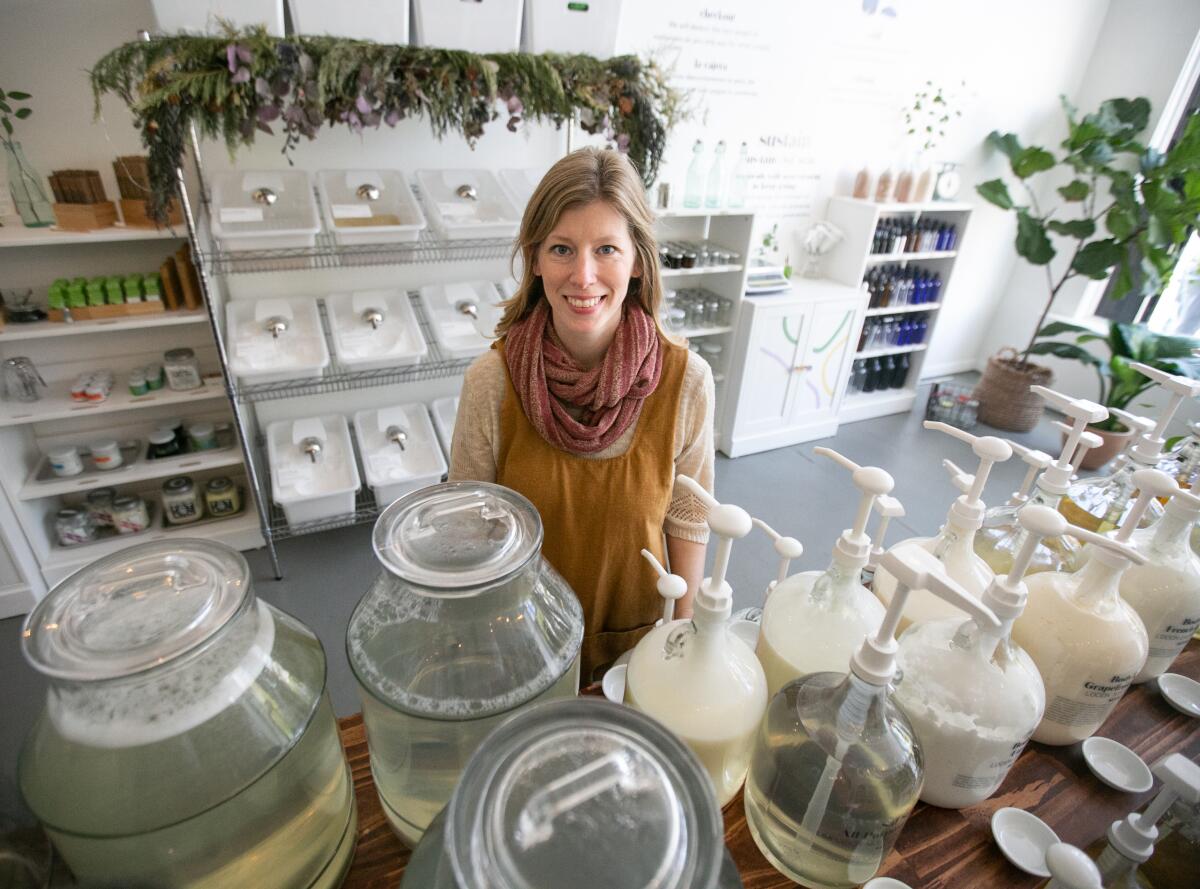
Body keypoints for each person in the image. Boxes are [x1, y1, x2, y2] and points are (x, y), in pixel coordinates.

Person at [449, 147, 715, 680]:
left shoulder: (686, 381)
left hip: (639, 655)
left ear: (637, 261)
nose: (584, 275)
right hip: (522, 651)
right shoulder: (491, 383)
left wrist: (684, 644)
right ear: (536, 258)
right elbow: (468, 535)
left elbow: (688, 518)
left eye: (607, 249)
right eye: (562, 249)